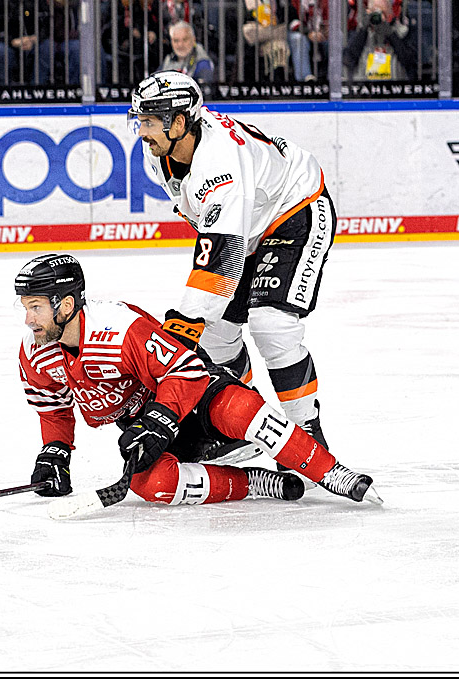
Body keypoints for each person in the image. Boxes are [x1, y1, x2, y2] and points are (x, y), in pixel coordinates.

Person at [16, 253, 378, 508]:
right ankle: (254, 482)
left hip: (189, 395)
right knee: (151, 485)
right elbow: (53, 407)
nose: (29, 319)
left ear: (64, 305)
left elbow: (186, 371)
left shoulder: (119, 327)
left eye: (36, 307)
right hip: (148, 422)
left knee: (239, 408)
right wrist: (56, 452)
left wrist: (159, 419)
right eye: (26, 307)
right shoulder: (36, 352)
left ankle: (333, 473)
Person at [128, 70, 340, 471]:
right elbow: (218, 243)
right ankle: (243, 427)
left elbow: (219, 262)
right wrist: (190, 331)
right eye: (139, 120)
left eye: (150, 121)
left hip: (295, 209)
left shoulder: (219, 161)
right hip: (246, 222)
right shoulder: (158, 152)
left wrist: (177, 335)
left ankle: (305, 432)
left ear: (180, 122)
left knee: (270, 324)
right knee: (217, 335)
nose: (142, 131)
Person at [342, 0, 417, 81]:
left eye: (383, 13)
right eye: (375, 12)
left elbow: (409, 61)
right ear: (368, 12)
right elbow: (348, 59)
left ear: (390, 14)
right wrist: (364, 30)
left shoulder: (401, 31)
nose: (380, 17)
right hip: (366, 87)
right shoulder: (359, 33)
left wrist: (390, 34)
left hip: (393, 86)